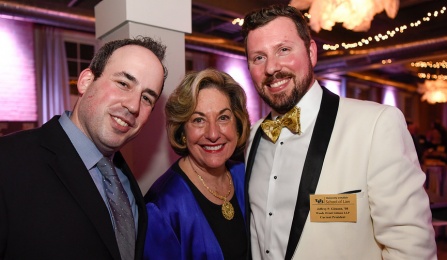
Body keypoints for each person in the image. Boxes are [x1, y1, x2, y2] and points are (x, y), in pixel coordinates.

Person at [241, 4, 437, 260]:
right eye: (258, 57)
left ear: (311, 52)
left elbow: (411, 248)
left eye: (284, 50)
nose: (271, 68)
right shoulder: (253, 137)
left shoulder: (376, 125)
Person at [0, 36, 167, 260]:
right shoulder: (8, 162)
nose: (133, 105)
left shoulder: (126, 183)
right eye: (124, 84)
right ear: (86, 81)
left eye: (146, 98)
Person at [143, 68, 251, 260]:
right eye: (199, 120)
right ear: (183, 130)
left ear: (237, 124)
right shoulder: (161, 207)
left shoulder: (246, 174)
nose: (213, 134)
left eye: (223, 118)